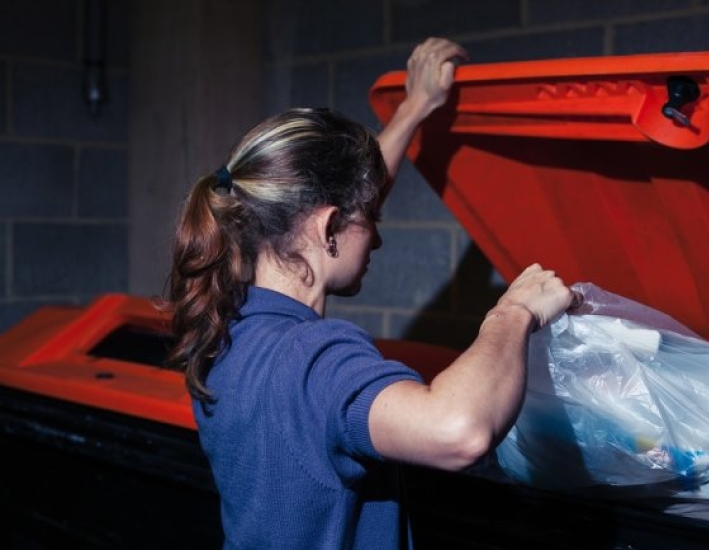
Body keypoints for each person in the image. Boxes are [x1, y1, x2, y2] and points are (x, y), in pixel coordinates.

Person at [163, 37, 574, 550]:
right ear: (329, 226)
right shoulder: (315, 358)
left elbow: (333, 204)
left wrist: (416, 107)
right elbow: (458, 431)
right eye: (371, 218)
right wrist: (513, 311)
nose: (377, 236)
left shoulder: (227, 330)